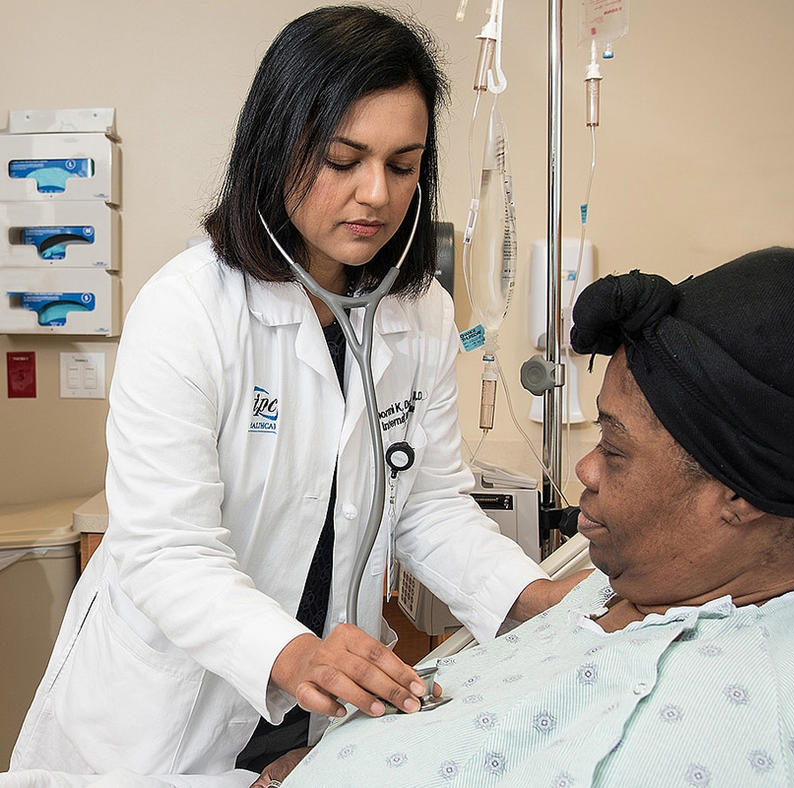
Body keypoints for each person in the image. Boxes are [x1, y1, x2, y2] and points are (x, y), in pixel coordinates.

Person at [8, 6, 577, 782]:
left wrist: (531, 595)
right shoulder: (189, 309)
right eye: (344, 159)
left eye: (403, 165)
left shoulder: (421, 314)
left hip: (314, 709)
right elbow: (167, 548)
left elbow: (431, 505)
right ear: (278, 145)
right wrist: (292, 650)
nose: (376, 193)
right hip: (170, 715)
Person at [261, 247, 794, 787]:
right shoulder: (635, 585)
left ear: (742, 494)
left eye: (615, 449)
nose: (586, 471)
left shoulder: (740, 724)